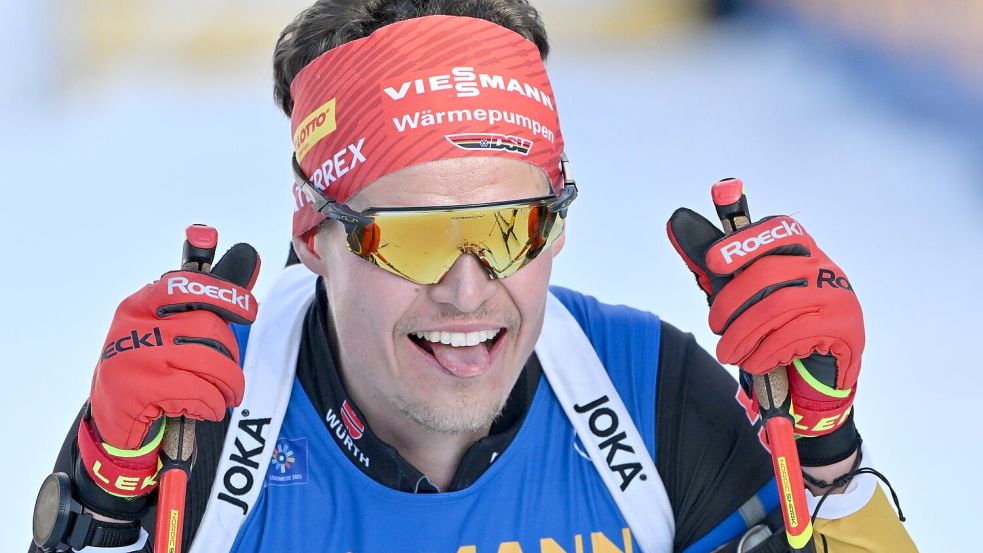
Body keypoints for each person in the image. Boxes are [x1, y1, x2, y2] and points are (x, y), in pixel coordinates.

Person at [30, 1, 916, 552]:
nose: (467, 288)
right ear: (313, 232)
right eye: (414, 239)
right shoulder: (202, 422)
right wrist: (103, 503)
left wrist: (827, 460)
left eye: (511, 227)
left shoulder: (649, 394)